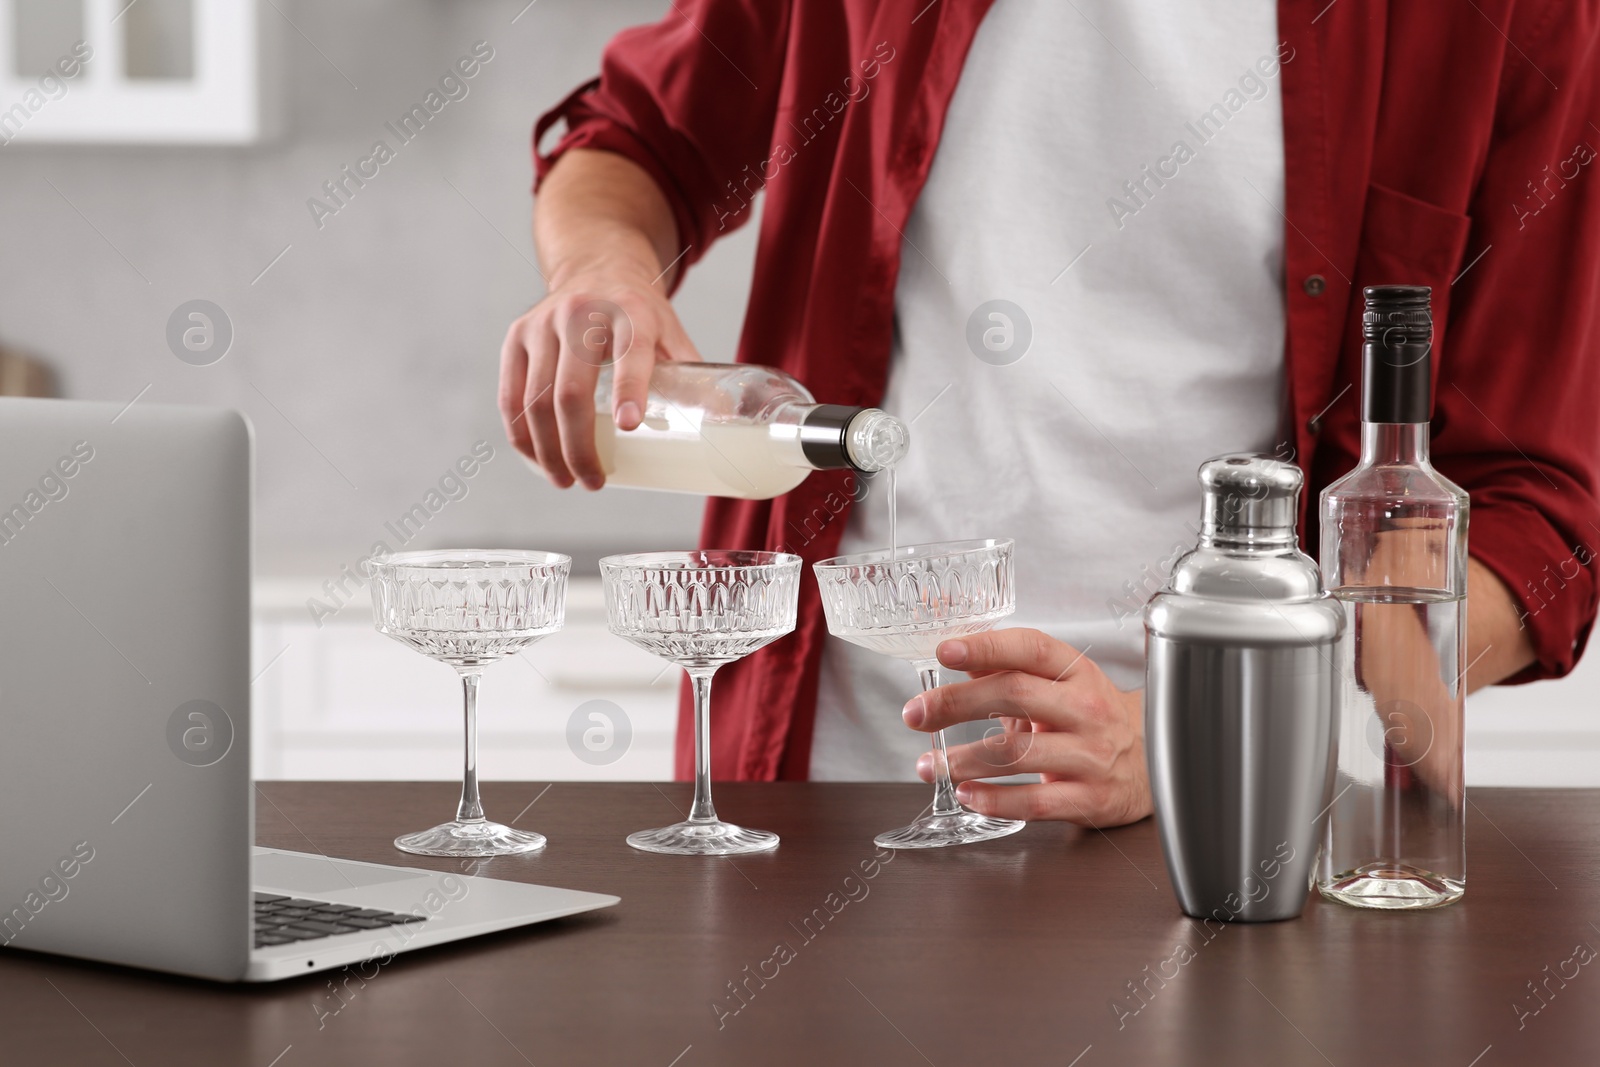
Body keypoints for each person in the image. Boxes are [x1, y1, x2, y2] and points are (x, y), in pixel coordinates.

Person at [500, 1, 1600, 827]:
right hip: (814, 785)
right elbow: (642, 139)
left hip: (1221, 819)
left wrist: (1201, 730)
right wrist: (603, 269)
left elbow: (1536, 520)